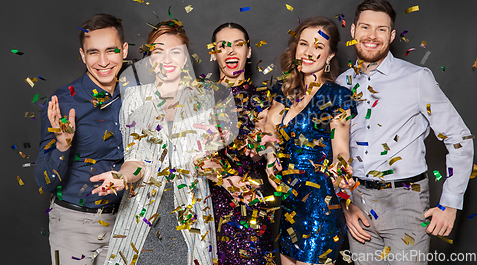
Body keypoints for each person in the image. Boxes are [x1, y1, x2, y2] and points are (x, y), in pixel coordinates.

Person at [336, 0, 474, 264]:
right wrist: (345, 204)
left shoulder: (416, 78)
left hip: (406, 202)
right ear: (353, 31)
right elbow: (337, 151)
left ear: (392, 35)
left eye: (381, 29)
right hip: (358, 204)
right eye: (365, 27)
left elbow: (460, 138)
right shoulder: (343, 83)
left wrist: (450, 203)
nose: (372, 36)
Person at [90, 20, 232, 265]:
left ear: (185, 56)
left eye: (175, 51)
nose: (167, 59)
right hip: (142, 217)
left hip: (191, 213)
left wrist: (227, 177)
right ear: (150, 58)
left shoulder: (203, 98)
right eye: (158, 51)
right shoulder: (135, 98)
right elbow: (134, 160)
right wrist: (121, 177)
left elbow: (204, 160)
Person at [34, 13, 128, 264]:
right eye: (94, 52)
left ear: (124, 51)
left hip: (125, 224)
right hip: (74, 226)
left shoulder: (137, 95)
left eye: (111, 50)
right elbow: (43, 180)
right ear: (83, 55)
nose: (104, 61)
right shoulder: (63, 102)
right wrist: (62, 144)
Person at [264, 16, 356, 265]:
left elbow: (341, 150)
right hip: (290, 204)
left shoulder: (338, 96)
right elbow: (268, 132)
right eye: (303, 44)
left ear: (329, 55)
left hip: (320, 206)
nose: (308, 52)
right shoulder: (284, 92)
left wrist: (341, 171)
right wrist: (271, 157)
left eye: (318, 46)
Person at [205, 23, 275, 264]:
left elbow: (274, 153)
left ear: (249, 51)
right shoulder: (199, 101)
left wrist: (264, 149)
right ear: (213, 54)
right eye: (223, 47)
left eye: (238, 45)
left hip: (250, 204)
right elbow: (192, 154)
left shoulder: (265, 101)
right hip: (208, 206)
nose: (231, 52)